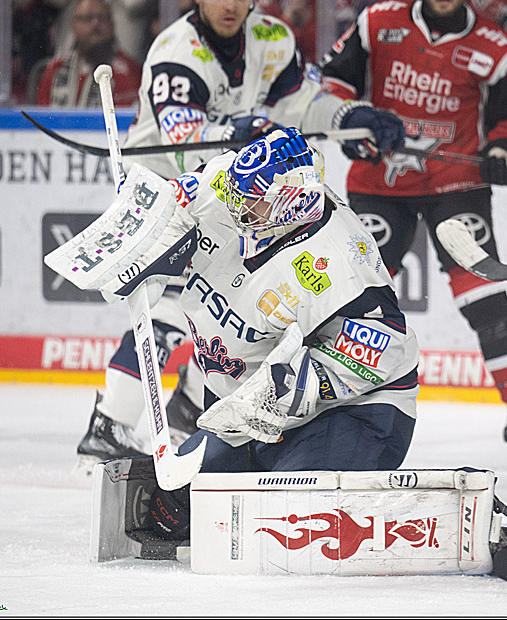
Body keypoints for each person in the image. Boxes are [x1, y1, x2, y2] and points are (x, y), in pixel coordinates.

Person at [76, 0, 405, 468]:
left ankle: (190, 403)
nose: (230, 3)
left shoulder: (272, 38)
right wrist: (238, 132)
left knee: (234, 310)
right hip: (170, 193)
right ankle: (109, 421)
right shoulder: (176, 51)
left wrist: (351, 118)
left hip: (238, 196)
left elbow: (302, 103)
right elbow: (183, 142)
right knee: (167, 306)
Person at [131, 128, 420, 540]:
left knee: (282, 520)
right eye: (237, 194)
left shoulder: (337, 262)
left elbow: (384, 349)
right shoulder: (237, 183)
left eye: (251, 202)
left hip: (354, 412)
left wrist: (277, 392)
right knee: (180, 508)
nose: (236, 207)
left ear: (291, 202)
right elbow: (175, 197)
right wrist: (136, 232)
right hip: (247, 406)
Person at [318, 0, 507, 459]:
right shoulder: (377, 23)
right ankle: (326, 397)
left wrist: (504, 147)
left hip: (456, 188)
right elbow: (332, 83)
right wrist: (351, 121)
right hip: (380, 183)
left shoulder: (494, 46)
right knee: (354, 293)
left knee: (480, 293)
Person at [35, 0, 141, 108]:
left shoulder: (129, 72)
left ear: (112, 25)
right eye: (87, 18)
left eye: (102, 18)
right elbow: (41, 115)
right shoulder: (55, 69)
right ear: (74, 25)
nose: (95, 24)